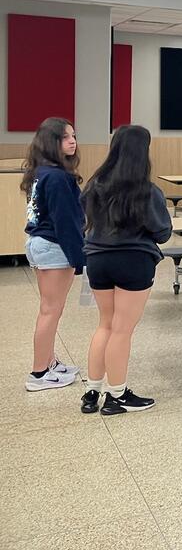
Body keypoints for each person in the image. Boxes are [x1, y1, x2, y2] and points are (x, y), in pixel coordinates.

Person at [80, 125, 171, 415]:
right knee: (122, 329)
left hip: (97, 260)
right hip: (133, 261)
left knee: (105, 324)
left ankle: (92, 391)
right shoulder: (147, 191)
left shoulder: (94, 185)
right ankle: (117, 395)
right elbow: (163, 232)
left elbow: (85, 219)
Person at [22, 117, 84, 392]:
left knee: (51, 309)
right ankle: (38, 373)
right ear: (51, 142)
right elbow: (66, 222)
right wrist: (80, 258)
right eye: (65, 137)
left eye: (73, 136)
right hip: (52, 245)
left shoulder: (42, 172)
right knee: (50, 310)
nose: (72, 141)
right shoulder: (57, 177)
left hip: (40, 243)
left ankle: (50, 363)